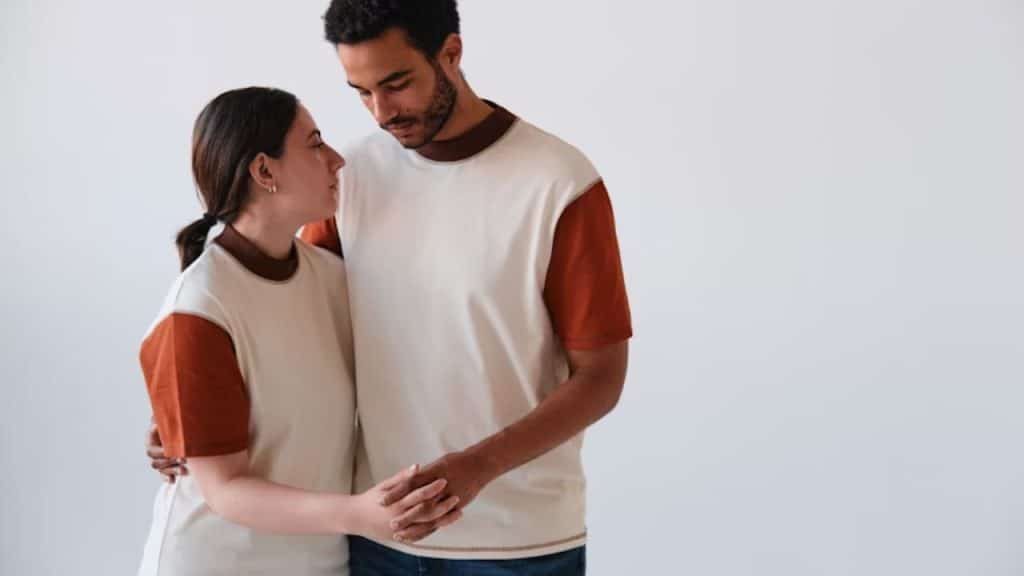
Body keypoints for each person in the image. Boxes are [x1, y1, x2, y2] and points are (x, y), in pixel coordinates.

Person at [137, 86, 460, 576]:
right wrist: (359, 514)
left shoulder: (330, 279)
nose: (337, 160)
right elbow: (223, 487)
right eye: (314, 143)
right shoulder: (197, 311)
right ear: (265, 171)